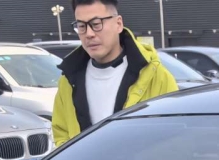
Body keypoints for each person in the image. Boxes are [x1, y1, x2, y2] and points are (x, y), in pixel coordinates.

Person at [52, 0, 177, 146]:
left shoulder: (156, 77)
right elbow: (61, 135)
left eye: (96, 24)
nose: (89, 34)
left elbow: (173, 136)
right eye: (81, 26)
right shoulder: (68, 81)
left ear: (118, 24)